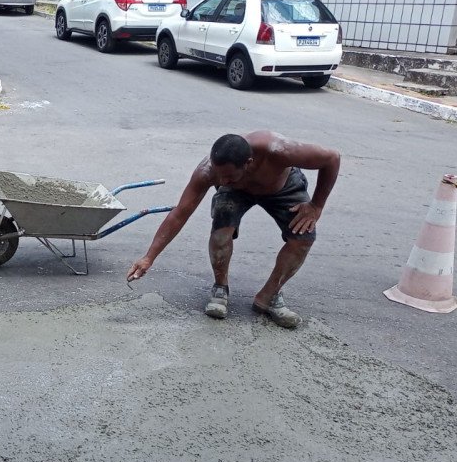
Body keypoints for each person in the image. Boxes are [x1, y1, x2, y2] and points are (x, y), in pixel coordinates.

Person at [126, 131, 339, 328]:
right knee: (220, 232)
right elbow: (180, 213)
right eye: (219, 176)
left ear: (249, 163)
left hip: (281, 187)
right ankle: (220, 287)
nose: (221, 181)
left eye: (227, 176)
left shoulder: (279, 151)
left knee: (303, 237)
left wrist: (316, 205)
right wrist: (149, 257)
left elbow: (332, 158)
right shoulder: (210, 172)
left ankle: (270, 295)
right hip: (238, 192)